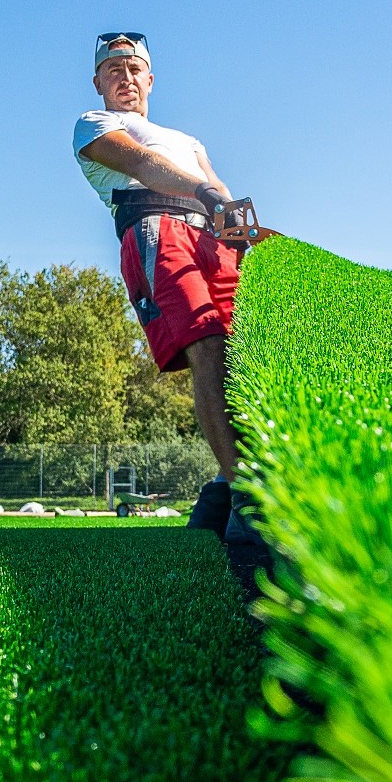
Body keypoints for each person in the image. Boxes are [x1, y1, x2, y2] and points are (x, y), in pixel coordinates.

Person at [72, 33, 259, 544]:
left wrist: (248, 235)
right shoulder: (94, 125)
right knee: (208, 345)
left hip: (215, 238)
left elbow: (218, 188)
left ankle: (221, 492)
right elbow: (139, 165)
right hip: (157, 228)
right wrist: (203, 192)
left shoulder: (190, 140)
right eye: (113, 70)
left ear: (150, 78)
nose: (125, 78)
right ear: (98, 83)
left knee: (243, 356)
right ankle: (247, 495)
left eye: (134, 69)